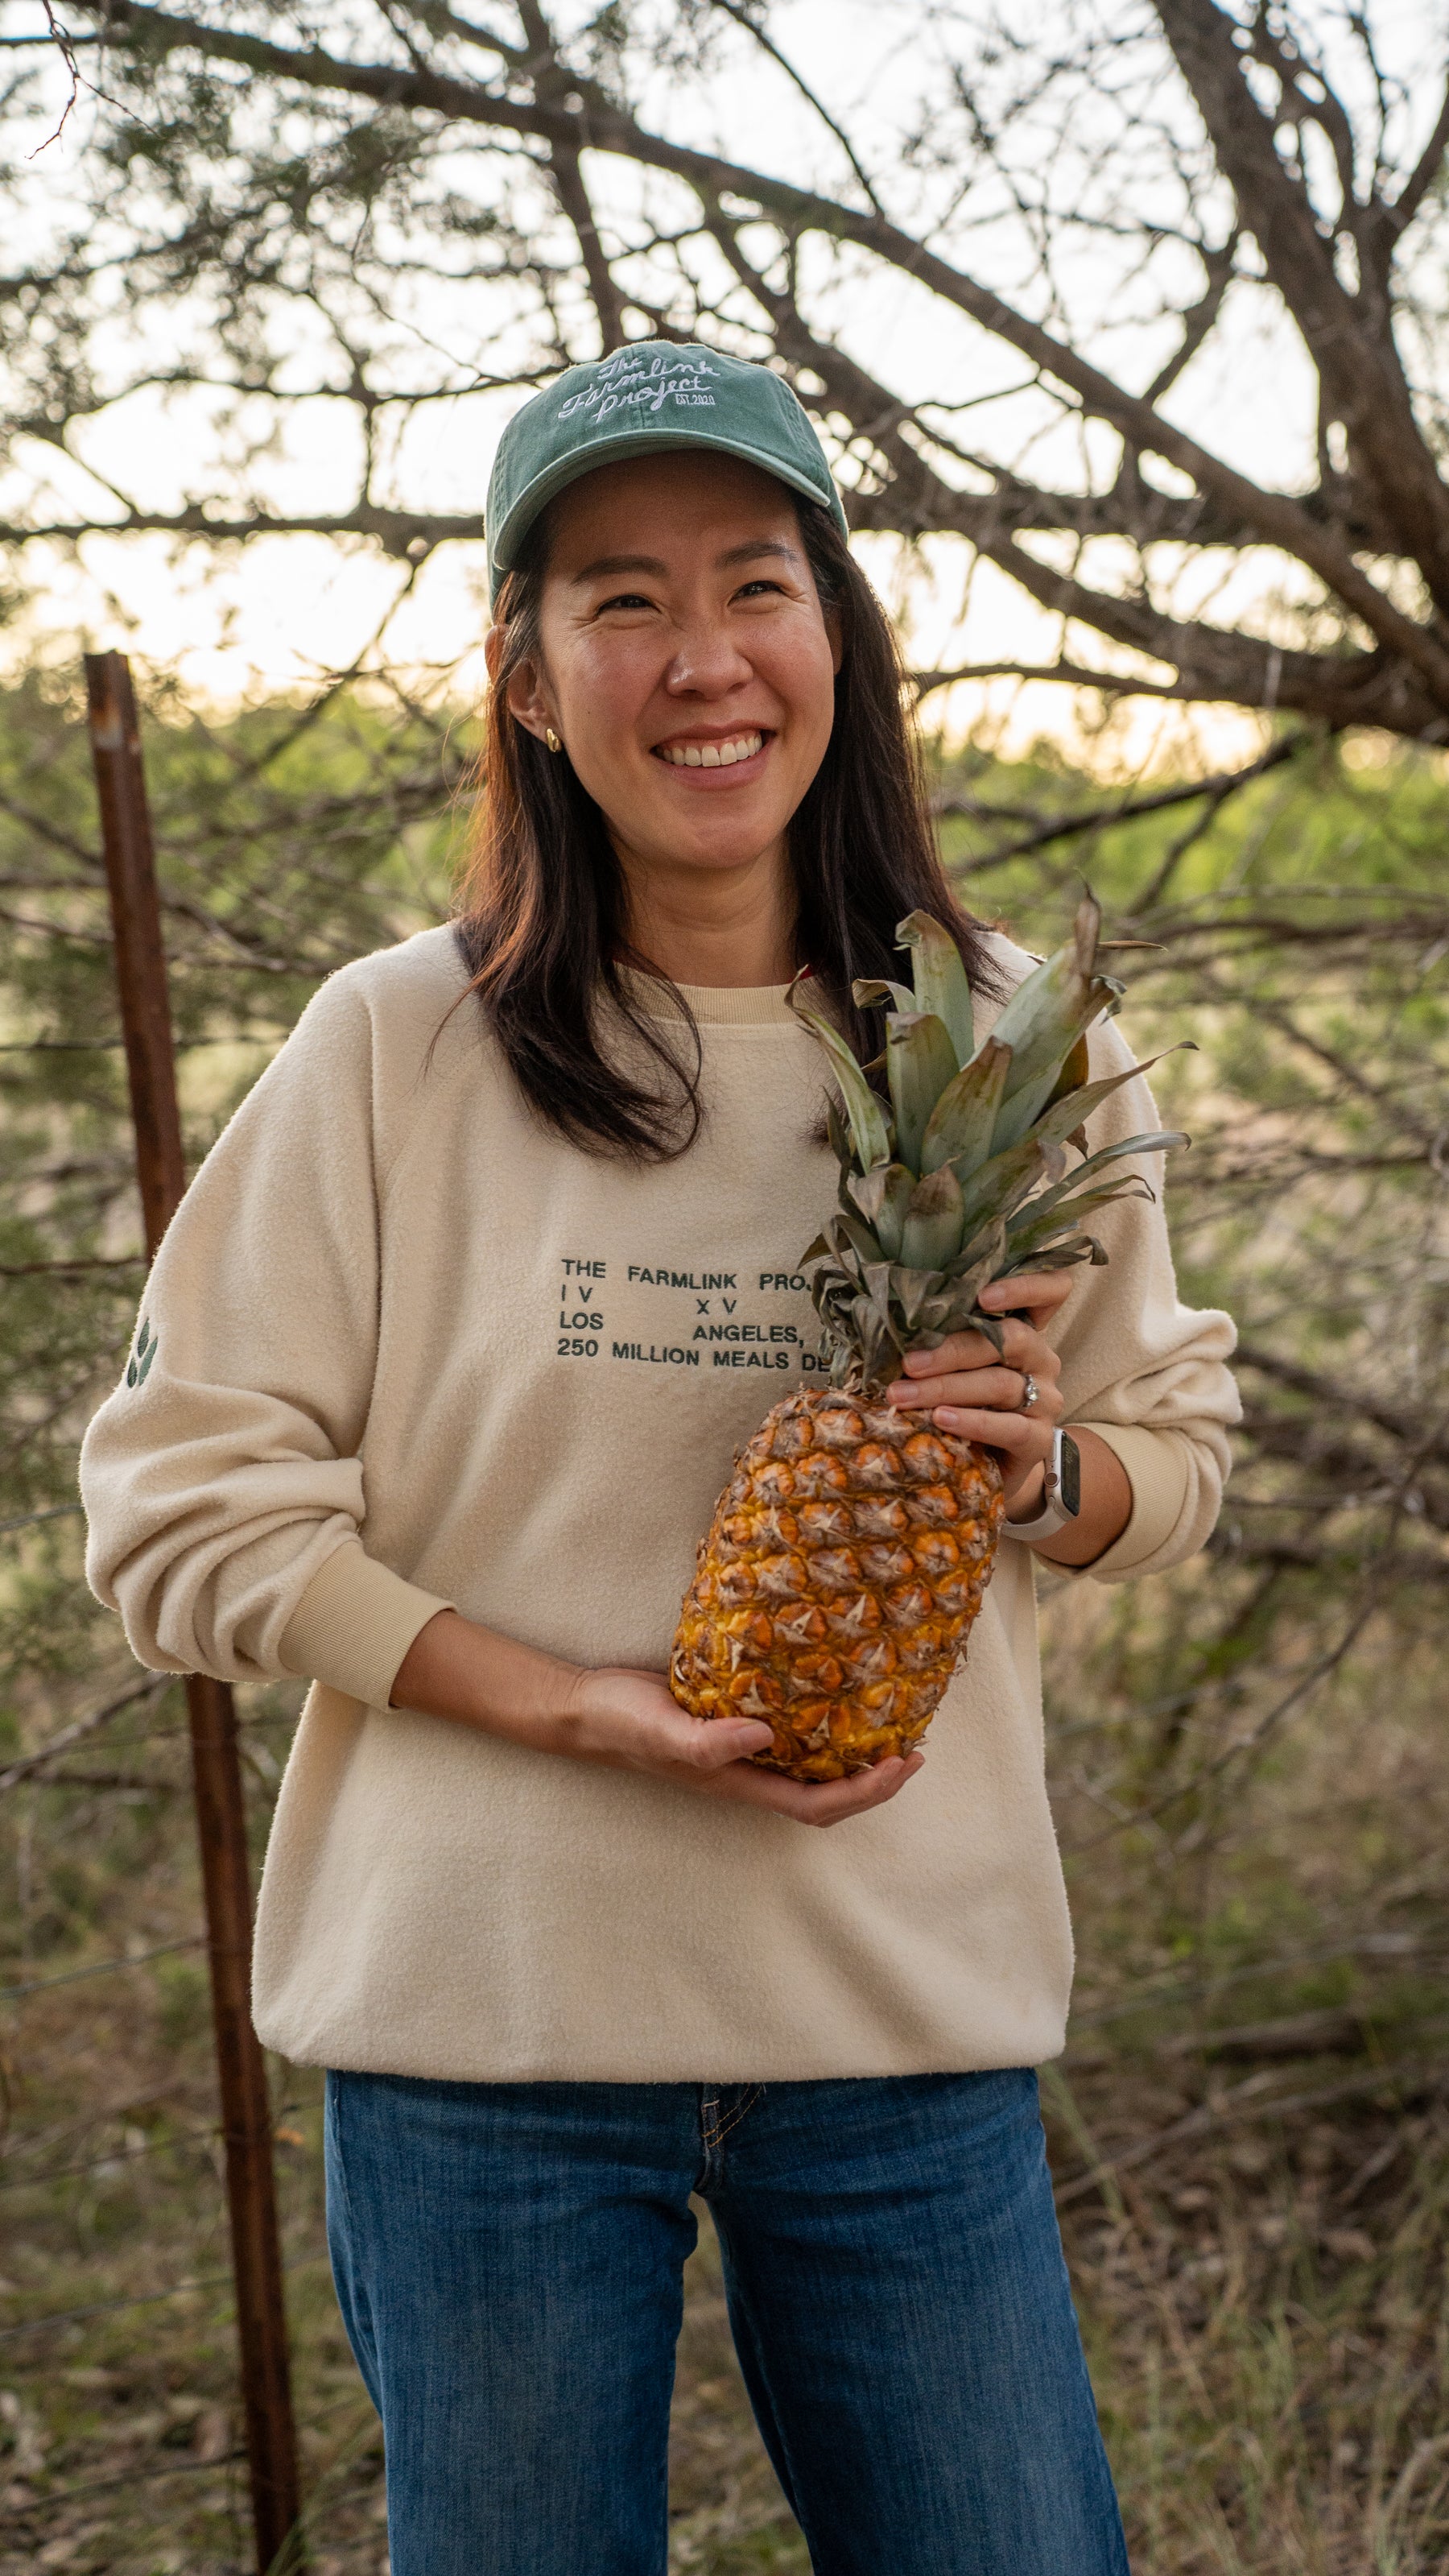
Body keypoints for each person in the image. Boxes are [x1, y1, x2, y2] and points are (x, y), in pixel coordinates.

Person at [81, 341, 1238, 2576]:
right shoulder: (396, 1046)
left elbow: (1172, 1455)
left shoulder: (1014, 1037)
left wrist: (1038, 1471)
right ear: (526, 674)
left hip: (898, 2027)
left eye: (754, 583)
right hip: (481, 2042)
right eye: (619, 598)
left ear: (837, 635)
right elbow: (178, 1513)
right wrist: (580, 1705)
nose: (701, 660)